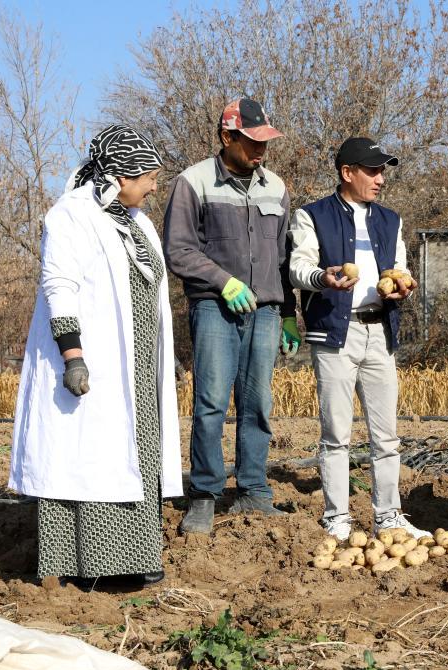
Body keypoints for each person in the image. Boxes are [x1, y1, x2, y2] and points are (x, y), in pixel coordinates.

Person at [9, 125, 182, 591]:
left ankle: (135, 556)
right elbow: (59, 286)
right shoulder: (71, 216)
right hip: (93, 359)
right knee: (89, 457)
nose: (153, 187)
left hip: (138, 363)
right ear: (120, 176)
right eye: (148, 178)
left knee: (139, 454)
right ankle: (89, 564)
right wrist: (74, 356)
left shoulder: (137, 222)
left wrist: (162, 351)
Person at [163, 98, 299, 535]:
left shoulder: (275, 187)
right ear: (227, 137)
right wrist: (223, 282)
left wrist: (289, 313)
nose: (261, 149)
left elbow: (283, 258)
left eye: (266, 141)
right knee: (211, 403)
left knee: (258, 403)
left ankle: (254, 490)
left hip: (265, 311)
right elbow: (178, 250)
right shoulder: (194, 182)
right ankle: (204, 494)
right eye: (252, 141)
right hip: (215, 308)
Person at [288, 136, 429, 541]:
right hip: (336, 332)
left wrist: (402, 285)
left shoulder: (390, 220)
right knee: (336, 433)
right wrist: (322, 277)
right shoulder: (312, 215)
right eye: (373, 170)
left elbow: (399, 266)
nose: (380, 178)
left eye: (383, 171)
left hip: (380, 331)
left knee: (386, 435)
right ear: (347, 172)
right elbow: (297, 267)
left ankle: (388, 515)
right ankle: (337, 517)